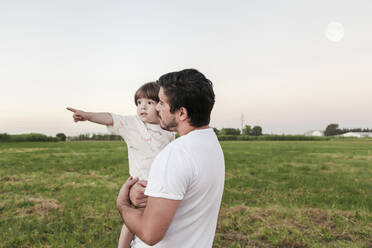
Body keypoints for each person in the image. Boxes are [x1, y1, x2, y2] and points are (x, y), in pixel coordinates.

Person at [116, 69, 225, 247]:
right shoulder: (210, 143)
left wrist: (123, 205)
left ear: (181, 113)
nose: (157, 108)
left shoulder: (175, 154)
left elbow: (149, 233)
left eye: (162, 103)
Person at [66, 82, 175, 248]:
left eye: (149, 103)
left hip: (161, 186)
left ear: (160, 106)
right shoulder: (133, 125)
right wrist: (88, 115)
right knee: (133, 221)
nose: (142, 107)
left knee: (158, 222)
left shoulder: (168, 130)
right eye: (139, 103)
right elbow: (110, 117)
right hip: (141, 184)